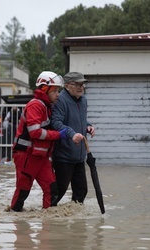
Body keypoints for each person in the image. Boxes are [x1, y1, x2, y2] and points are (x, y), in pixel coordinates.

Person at [9, 71, 69, 212]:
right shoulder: (35, 105)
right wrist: (58, 135)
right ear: (44, 89)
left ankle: (48, 225)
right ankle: (17, 224)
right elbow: (35, 132)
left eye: (58, 91)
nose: (58, 94)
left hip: (40, 156)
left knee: (52, 189)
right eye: (55, 91)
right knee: (23, 190)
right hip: (27, 155)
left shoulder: (46, 106)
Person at [51, 72, 95, 205]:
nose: (80, 87)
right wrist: (71, 134)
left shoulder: (83, 100)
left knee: (81, 192)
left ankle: (77, 223)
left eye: (82, 84)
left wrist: (88, 126)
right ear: (66, 85)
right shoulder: (60, 100)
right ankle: (48, 219)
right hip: (63, 156)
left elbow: (80, 120)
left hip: (79, 156)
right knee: (59, 192)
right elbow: (56, 123)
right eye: (76, 84)